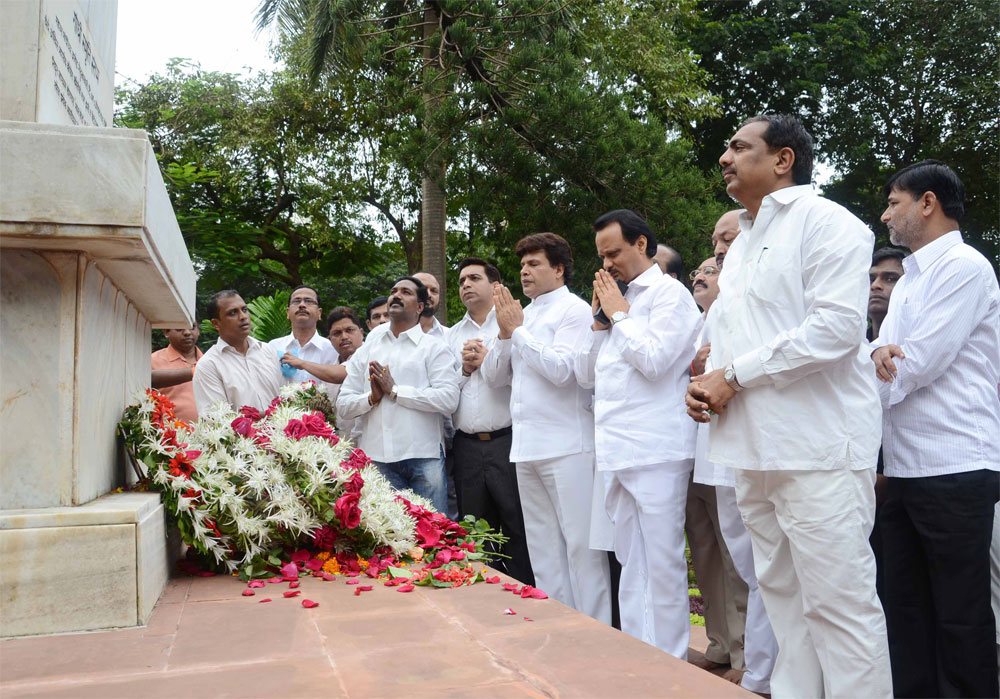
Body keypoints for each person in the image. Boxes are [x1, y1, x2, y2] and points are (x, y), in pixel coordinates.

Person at [685, 114, 891, 698]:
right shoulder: (744, 243)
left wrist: (737, 375)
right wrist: (705, 387)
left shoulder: (829, 223)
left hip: (817, 449)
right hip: (754, 451)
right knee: (784, 606)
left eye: (738, 146)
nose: (725, 157)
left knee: (841, 609)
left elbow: (835, 329)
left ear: (783, 160)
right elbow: (731, 341)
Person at [871, 159, 999, 698]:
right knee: (903, 608)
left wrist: (880, 360)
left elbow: (915, 362)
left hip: (955, 467)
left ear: (928, 203)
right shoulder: (908, 281)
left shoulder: (966, 267)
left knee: (960, 614)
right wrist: (879, 355)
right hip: (901, 467)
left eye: (894, 203)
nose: (885, 216)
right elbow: (883, 357)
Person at [573, 210, 701, 657]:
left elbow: (654, 361)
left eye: (614, 253)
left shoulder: (671, 297)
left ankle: (671, 660)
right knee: (630, 560)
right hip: (617, 449)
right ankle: (639, 653)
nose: (606, 264)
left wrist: (621, 317)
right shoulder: (614, 305)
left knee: (663, 561)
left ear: (642, 245)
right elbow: (589, 377)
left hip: (656, 448)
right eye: (601, 256)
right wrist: (599, 324)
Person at [482, 232, 612, 624]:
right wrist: (506, 334)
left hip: (568, 444)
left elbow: (564, 372)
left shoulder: (572, 310)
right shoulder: (523, 313)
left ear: (558, 269)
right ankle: (560, 626)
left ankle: (596, 631)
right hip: (526, 446)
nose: (524, 271)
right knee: (542, 548)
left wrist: (518, 332)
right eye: (521, 264)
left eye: (534, 263)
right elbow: (492, 377)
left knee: (580, 549)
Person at [690, 254, 777, 694]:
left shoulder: (758, 307)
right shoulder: (710, 318)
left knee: (760, 569)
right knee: (737, 567)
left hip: (752, 454)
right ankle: (742, 655)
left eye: (720, 259)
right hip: (711, 453)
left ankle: (757, 667)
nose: (706, 272)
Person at [445, 257, 534, 585]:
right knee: (474, 530)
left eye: (473, 278)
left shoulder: (514, 324)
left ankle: (530, 593)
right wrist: (465, 370)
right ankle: (482, 601)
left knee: (516, 526)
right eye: (461, 280)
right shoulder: (450, 335)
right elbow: (443, 392)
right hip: (467, 446)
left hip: (508, 442)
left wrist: (490, 361)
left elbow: (529, 379)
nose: (465, 284)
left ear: (495, 286)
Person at [336, 277, 459, 512]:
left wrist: (395, 391)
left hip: (423, 456)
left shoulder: (434, 348)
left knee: (435, 538)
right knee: (387, 543)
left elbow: (449, 399)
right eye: (393, 291)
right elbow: (343, 405)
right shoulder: (369, 349)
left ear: (420, 307)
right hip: (376, 459)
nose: (396, 295)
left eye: (406, 292)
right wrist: (371, 398)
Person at [684, 257, 751, 680]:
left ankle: (747, 658)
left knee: (737, 558)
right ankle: (720, 645)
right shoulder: (697, 322)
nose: (701, 277)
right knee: (706, 553)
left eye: (713, 268)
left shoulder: (742, 313)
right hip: (696, 450)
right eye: (699, 272)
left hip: (731, 453)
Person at [193, 291, 284, 414]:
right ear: (216, 323)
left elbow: (282, 398)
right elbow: (216, 419)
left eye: (244, 310)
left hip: (282, 432)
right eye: (233, 313)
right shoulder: (209, 365)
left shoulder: (267, 351)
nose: (243, 317)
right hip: (240, 434)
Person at [269, 285, 338, 385]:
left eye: (308, 301)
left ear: (319, 313)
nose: (302, 305)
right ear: (288, 313)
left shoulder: (332, 349)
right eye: (296, 301)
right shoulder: (273, 347)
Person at [151, 323, 203, 424]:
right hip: (170, 436)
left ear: (198, 330)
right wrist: (194, 372)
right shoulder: (152, 361)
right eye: (179, 328)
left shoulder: (209, 361)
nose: (187, 332)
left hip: (209, 436)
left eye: (192, 327)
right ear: (166, 332)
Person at [867, 247, 905, 340]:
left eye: (890, 279)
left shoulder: (919, 341)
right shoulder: (851, 345)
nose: (875, 285)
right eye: (871, 280)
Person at [413, 271, 447, 337]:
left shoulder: (449, 336)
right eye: (423, 289)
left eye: (433, 291)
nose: (428, 294)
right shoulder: (388, 332)